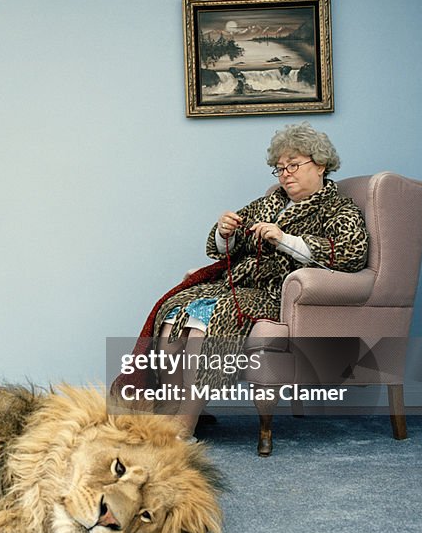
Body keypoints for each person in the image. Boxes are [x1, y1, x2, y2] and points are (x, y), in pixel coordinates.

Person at [151, 122, 369, 439]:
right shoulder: (270, 202)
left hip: (273, 291)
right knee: (172, 315)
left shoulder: (338, 208)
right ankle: (170, 410)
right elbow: (227, 245)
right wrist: (225, 231)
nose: (285, 174)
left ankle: (185, 423)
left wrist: (286, 239)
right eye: (279, 169)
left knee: (206, 321)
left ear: (320, 164)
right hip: (236, 284)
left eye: (293, 165)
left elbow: (352, 254)